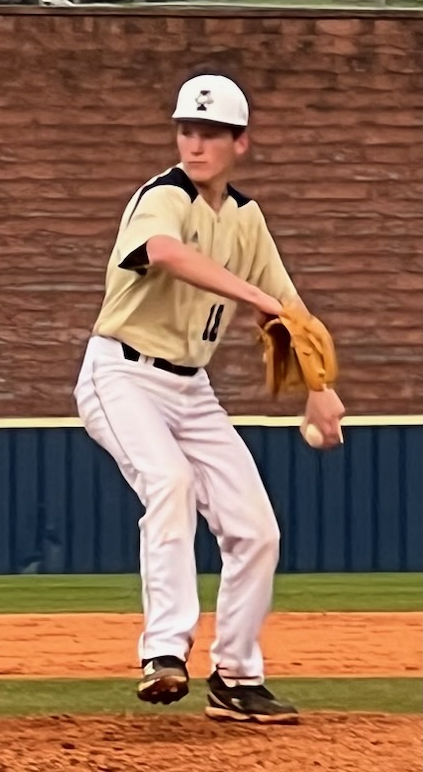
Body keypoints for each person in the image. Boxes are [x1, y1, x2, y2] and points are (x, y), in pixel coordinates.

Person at [74, 70, 345, 723]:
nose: (195, 144)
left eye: (212, 133)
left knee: (256, 529)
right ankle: (164, 654)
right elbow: (165, 253)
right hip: (122, 373)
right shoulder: (162, 196)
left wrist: (322, 392)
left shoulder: (246, 219)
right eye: (187, 129)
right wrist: (253, 298)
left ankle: (236, 678)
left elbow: (291, 308)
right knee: (169, 483)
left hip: (191, 388)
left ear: (239, 143)